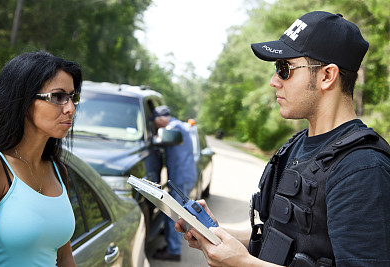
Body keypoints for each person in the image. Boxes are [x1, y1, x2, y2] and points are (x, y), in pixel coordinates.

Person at [175, 11, 390, 267]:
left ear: (327, 76)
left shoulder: (362, 169)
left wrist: (242, 263)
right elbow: (278, 241)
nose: (273, 81)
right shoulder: (297, 146)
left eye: (284, 69)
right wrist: (216, 233)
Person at [0, 52, 82, 266]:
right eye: (58, 97)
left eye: (72, 97)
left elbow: (65, 258)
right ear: (24, 100)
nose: (70, 108)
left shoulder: (58, 171)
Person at [152, 105, 197, 261]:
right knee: (170, 211)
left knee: (174, 214)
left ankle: (174, 251)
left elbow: (162, 138)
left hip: (182, 177)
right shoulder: (174, 126)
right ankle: (171, 245)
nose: (155, 126)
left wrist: (152, 139)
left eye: (155, 123)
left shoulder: (174, 126)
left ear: (161, 120)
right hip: (180, 177)